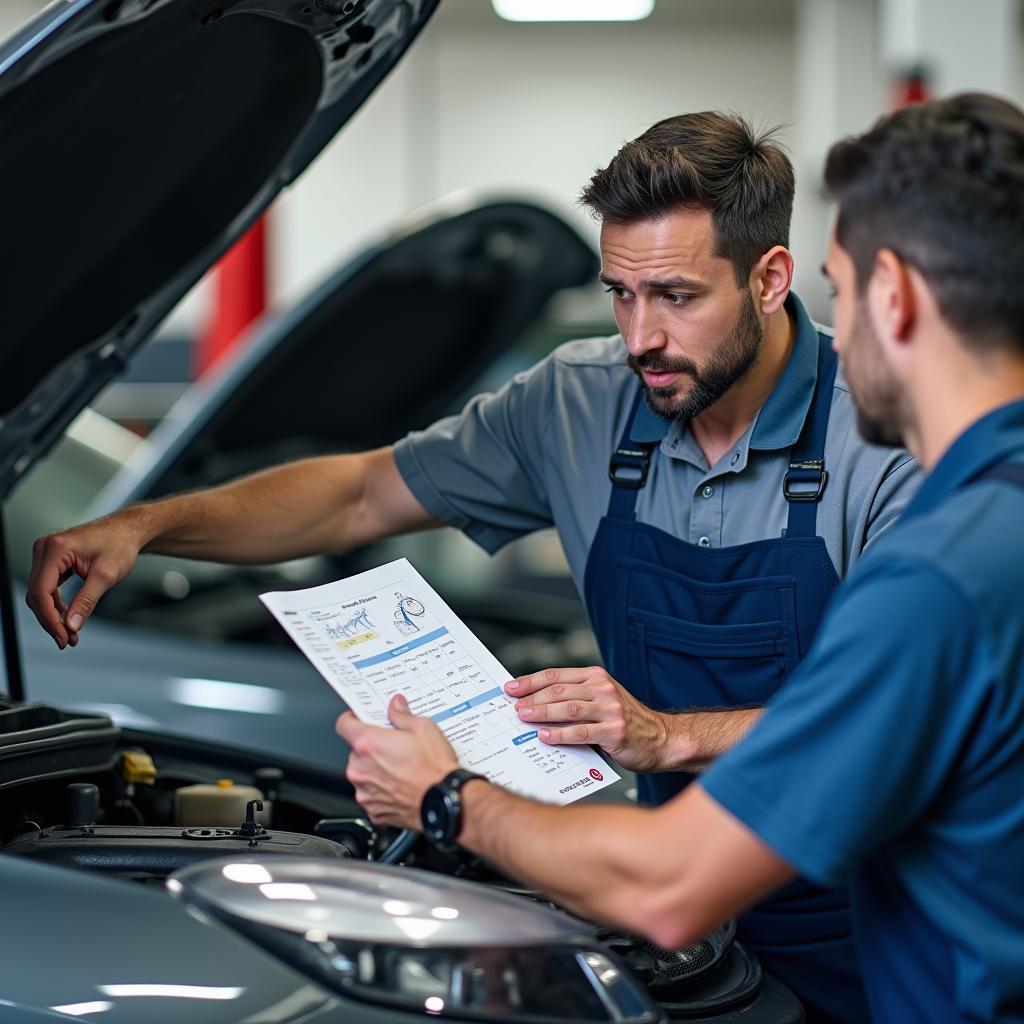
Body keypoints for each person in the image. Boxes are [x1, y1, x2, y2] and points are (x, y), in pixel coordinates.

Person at [26, 113, 918, 1022]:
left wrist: (671, 735)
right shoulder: (580, 399)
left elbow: (905, 724)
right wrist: (149, 524)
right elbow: (358, 496)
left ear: (768, 280)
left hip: (873, 923)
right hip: (669, 920)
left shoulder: (884, 442)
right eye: (620, 294)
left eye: (677, 297)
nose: (641, 336)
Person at [337, 92, 1024, 1024]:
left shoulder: (945, 574)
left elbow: (672, 885)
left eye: (841, 285)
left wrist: (443, 797)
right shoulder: (995, 518)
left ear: (892, 297)